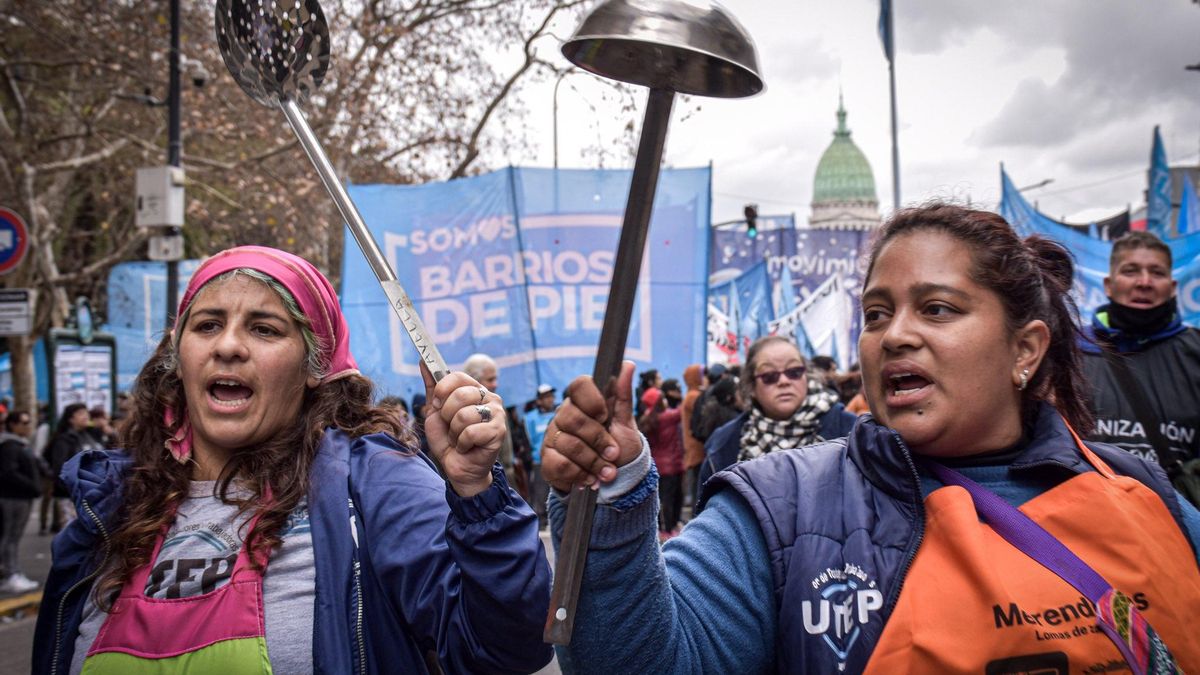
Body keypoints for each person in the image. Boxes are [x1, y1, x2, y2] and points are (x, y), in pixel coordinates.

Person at [541, 204, 1200, 672]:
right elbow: (637, 656)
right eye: (877, 313)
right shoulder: (780, 509)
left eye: (937, 308)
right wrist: (612, 498)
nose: (895, 335)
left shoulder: (1141, 495)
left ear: (1024, 348)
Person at [33, 246, 552, 674]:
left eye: (264, 329)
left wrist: (477, 497)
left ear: (313, 366)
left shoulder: (372, 483)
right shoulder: (109, 504)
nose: (229, 346)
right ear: (178, 353)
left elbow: (507, 647)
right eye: (208, 325)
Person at [693, 336, 857, 515]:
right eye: (769, 376)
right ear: (751, 387)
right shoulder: (723, 445)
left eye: (794, 371)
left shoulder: (851, 432)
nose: (784, 381)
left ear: (806, 376)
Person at [1080, 231, 1200, 473]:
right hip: (1089, 506)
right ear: (1109, 286)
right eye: (1130, 271)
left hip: (1176, 508)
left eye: (1157, 273)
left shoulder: (1195, 351)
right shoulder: (1070, 350)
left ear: (1172, 287)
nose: (1144, 282)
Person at [463, 353, 532, 501]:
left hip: (506, 479)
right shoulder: (468, 413)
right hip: (488, 487)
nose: (496, 384)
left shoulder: (496, 404)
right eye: (490, 379)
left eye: (495, 378)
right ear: (474, 379)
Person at [42, 403, 103, 533]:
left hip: (93, 494)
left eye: (86, 413)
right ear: (70, 419)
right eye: (80, 413)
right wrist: (73, 489)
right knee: (73, 535)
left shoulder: (92, 435)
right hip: (72, 496)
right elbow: (60, 469)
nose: (86, 416)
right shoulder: (64, 440)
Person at [0, 410, 41, 593]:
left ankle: (12, 572)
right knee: (10, 537)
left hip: (22, 497)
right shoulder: (10, 446)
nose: (27, 426)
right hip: (13, 498)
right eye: (24, 423)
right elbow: (9, 472)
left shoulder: (21, 444)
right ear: (13, 425)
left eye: (29, 422)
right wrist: (31, 485)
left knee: (13, 537)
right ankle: (10, 574)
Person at [638, 387, 685, 539]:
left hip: (656, 464)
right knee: (671, 498)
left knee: (661, 498)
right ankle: (670, 528)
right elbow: (681, 411)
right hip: (672, 464)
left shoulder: (646, 420)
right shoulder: (667, 417)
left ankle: (661, 528)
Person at [524, 384, 558, 528]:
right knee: (541, 492)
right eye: (546, 397)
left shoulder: (558, 413)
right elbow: (527, 439)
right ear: (538, 400)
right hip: (539, 461)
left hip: (558, 458)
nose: (550, 399)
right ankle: (541, 520)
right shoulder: (530, 418)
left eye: (551, 396)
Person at [679, 365, 706, 508]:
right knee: (698, 484)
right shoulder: (694, 397)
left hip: (693, 445)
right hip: (697, 446)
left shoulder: (690, 395)